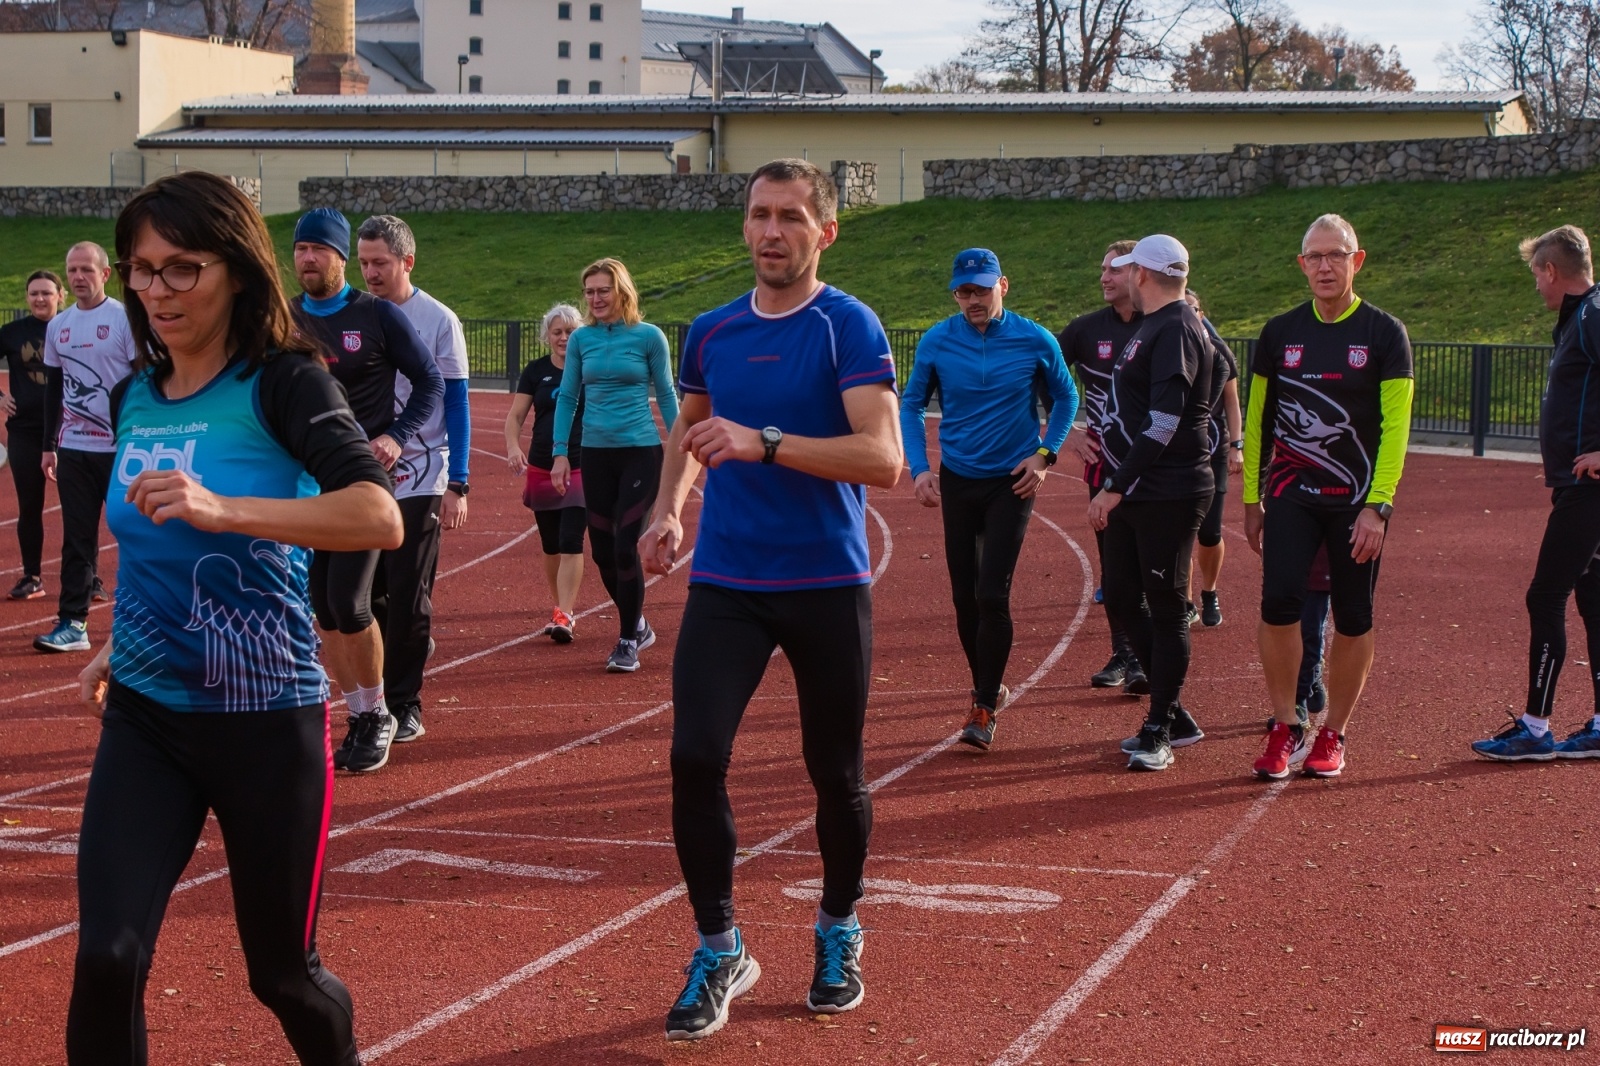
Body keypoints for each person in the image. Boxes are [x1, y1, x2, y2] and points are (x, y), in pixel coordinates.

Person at [67, 170, 401, 1066]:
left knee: (282, 975)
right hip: (146, 717)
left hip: (265, 719)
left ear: (238, 270)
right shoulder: (134, 394)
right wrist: (119, 638)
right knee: (107, 957)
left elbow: (378, 515)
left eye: (182, 268)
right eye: (142, 270)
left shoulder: (285, 383)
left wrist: (226, 509)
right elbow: (151, 540)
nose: (157, 291)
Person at [638, 158, 901, 1041]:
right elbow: (690, 427)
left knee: (836, 771)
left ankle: (838, 928)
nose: (771, 231)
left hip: (826, 582)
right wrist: (669, 509)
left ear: (826, 232)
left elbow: (883, 459)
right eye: (759, 214)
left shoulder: (846, 326)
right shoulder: (711, 330)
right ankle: (720, 948)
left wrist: (769, 442)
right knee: (693, 756)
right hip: (728, 581)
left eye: (790, 216)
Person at [1244, 213, 1414, 780]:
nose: (1324, 266)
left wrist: (1379, 506)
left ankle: (1334, 732)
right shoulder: (1279, 333)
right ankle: (1286, 723)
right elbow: (1258, 422)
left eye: (1336, 255)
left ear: (1356, 261)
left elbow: (1396, 428)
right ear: (1301, 264)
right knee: (1278, 605)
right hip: (1291, 493)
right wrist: (1250, 499)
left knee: (1354, 616)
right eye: (1314, 256)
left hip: (1357, 501)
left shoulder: (1384, 333)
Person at [900, 247, 1077, 751]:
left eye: (981, 289)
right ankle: (987, 682)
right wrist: (919, 468)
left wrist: (1045, 455)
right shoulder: (937, 340)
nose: (972, 299)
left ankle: (983, 707)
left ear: (1003, 285)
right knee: (964, 596)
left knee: (992, 595)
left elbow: (1067, 397)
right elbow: (911, 405)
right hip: (958, 477)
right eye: (964, 292)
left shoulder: (1034, 338)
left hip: (1011, 480)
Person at [289, 207, 443, 773]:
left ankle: (379, 712)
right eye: (301, 249)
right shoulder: (284, 318)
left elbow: (430, 380)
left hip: (361, 476)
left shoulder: (376, 314)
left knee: (351, 601)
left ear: (338, 259)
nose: (308, 259)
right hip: (308, 481)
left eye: (319, 250)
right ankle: (358, 712)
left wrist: (397, 436)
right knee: (324, 607)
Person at [1087, 234, 1220, 773]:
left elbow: (1165, 419)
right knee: (1122, 595)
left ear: (1142, 274)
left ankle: (1161, 725)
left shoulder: (1178, 327)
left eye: (1126, 269)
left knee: (1166, 608)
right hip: (1140, 486)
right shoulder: (1157, 324)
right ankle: (1174, 712)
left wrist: (1115, 484)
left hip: (1168, 490)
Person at [1472, 224, 1600, 761]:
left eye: (1536, 275)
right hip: (1578, 486)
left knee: (1545, 595)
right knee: (1593, 598)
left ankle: (1536, 728)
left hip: (1589, 489)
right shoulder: (1580, 318)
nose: (1536, 286)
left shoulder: (1593, 315)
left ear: (1551, 270)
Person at [355, 214, 471, 746]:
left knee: (408, 591)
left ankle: (405, 703)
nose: (370, 273)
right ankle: (384, 682)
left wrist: (459, 482)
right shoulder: (355, 313)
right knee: (366, 592)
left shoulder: (438, 319)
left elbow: (457, 401)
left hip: (422, 472)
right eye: (363, 263)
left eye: (380, 262)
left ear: (408, 261)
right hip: (362, 475)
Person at [550, 257, 679, 673]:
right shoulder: (581, 340)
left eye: (603, 290)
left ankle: (626, 642)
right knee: (603, 553)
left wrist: (682, 447)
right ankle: (637, 624)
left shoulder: (649, 337)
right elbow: (568, 396)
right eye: (589, 291)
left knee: (626, 546)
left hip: (640, 452)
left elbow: (667, 394)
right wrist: (559, 452)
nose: (595, 298)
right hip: (595, 455)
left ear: (622, 291)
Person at [35, 243, 137, 652]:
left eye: (86, 270)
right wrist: (49, 445)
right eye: (72, 270)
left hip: (120, 449)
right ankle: (73, 623)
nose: (78, 277)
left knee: (135, 534)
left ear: (105, 274)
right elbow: (54, 389)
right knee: (77, 538)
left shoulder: (124, 319)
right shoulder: (58, 326)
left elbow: (142, 381)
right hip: (74, 450)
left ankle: (140, 623)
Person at [1059, 241, 1148, 692]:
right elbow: (1041, 375)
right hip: (1105, 468)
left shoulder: (1166, 324)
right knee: (1114, 568)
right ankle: (1124, 654)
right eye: (1102, 269)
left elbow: (1220, 376)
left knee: (1153, 570)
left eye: (1114, 269)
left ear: (1139, 273)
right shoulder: (1086, 330)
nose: (1104, 277)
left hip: (1157, 471)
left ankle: (1151, 658)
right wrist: (1066, 431)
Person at [507, 304, 587, 642]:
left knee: (571, 540)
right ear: (547, 336)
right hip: (541, 465)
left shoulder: (589, 369)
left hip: (580, 464)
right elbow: (516, 416)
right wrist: (513, 447)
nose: (564, 338)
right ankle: (559, 607)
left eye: (570, 331)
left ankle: (565, 613)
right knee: (551, 544)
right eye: (557, 332)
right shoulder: (536, 370)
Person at [1, 270, 64, 600]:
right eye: (34, 293)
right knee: (29, 506)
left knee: (80, 508)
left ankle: (90, 577)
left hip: (70, 432)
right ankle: (32, 576)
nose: (40, 298)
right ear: (27, 297)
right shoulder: (12, 332)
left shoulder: (72, 329)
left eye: (46, 293)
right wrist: (0, 397)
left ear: (60, 296)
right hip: (24, 431)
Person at [1183, 289, 1243, 627]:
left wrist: (1237, 445)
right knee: (1180, 532)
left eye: (1193, 308)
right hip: (1176, 453)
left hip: (1213, 449)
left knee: (1209, 532)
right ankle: (1186, 600)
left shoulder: (1219, 352)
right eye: (1182, 308)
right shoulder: (1166, 346)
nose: (1188, 313)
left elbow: (1232, 401)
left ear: (1201, 313)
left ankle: (1210, 592)